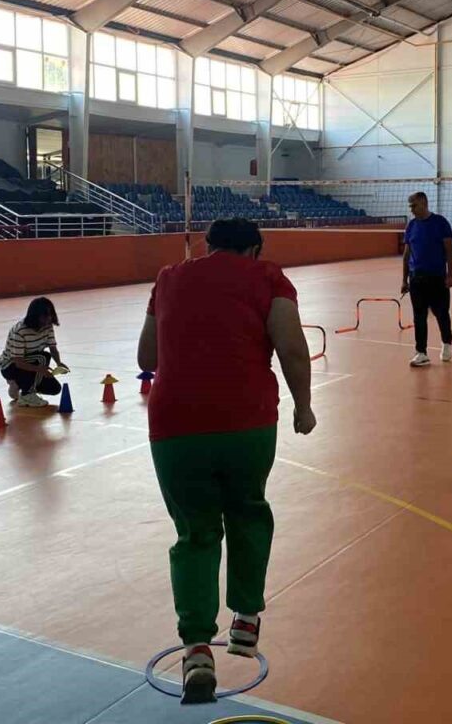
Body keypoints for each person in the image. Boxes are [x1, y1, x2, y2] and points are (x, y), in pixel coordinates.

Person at [138, 219, 316, 705]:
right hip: (246, 423)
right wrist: (303, 406)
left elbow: (147, 356)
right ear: (255, 249)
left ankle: (197, 649)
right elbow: (292, 348)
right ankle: (245, 619)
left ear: (208, 245)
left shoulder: (168, 278)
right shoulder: (268, 277)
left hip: (175, 428)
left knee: (194, 533)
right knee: (248, 512)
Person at [400, 191, 452, 367]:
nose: (411, 209)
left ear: (424, 203)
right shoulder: (411, 226)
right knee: (419, 316)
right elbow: (406, 255)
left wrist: (450, 275)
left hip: (437, 278)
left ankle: (447, 343)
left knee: (441, 313)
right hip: (416, 279)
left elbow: (450, 251)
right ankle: (421, 352)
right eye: (410, 206)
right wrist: (404, 280)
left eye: (414, 205)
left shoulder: (440, 223)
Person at [0, 297, 67, 407]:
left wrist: (59, 363)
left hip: (31, 363)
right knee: (43, 357)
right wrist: (40, 370)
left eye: (50, 314)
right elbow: (18, 362)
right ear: (35, 316)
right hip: (10, 366)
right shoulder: (20, 331)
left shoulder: (47, 326)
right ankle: (27, 395)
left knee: (55, 388)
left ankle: (17, 384)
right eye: (45, 316)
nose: (49, 318)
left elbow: (53, 348)